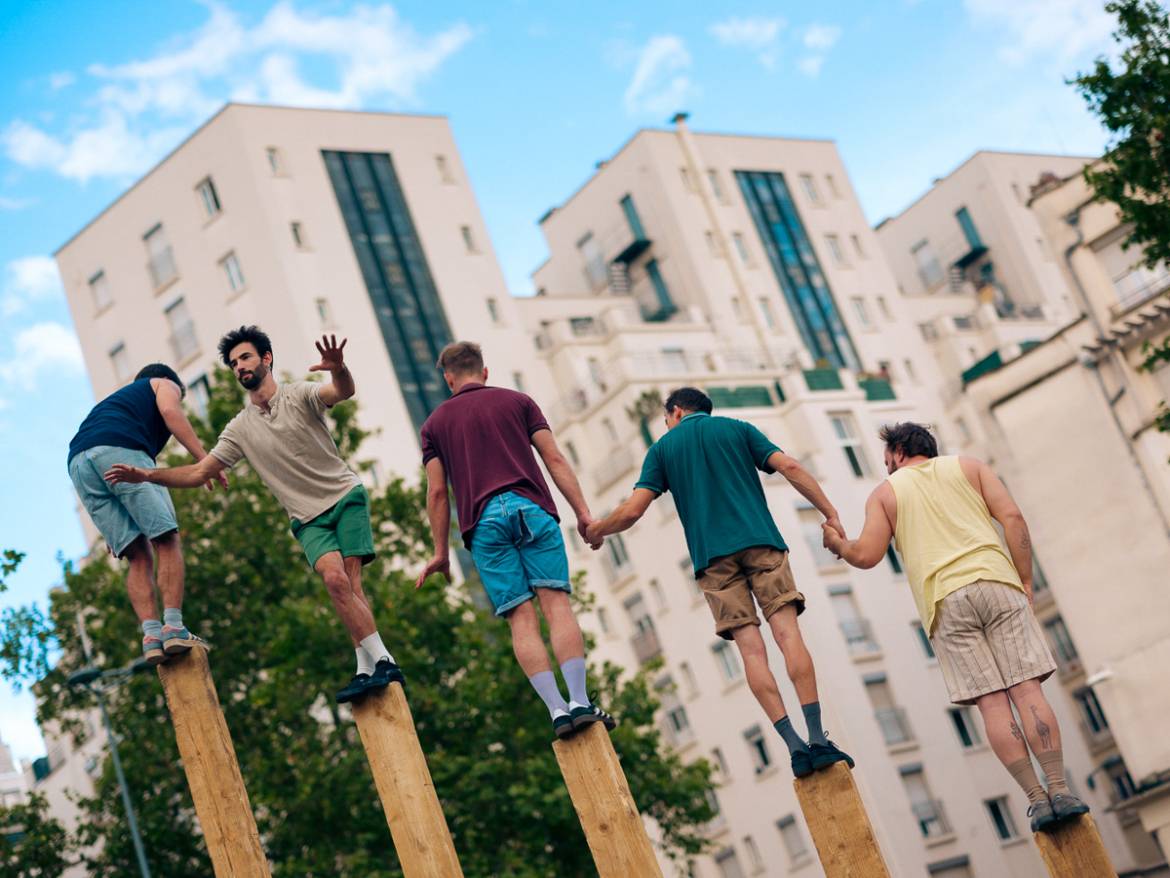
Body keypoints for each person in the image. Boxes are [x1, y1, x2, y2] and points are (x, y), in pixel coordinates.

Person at [106, 326, 400, 704]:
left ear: (266, 359)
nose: (239, 367)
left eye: (244, 358)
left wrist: (338, 368)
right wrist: (147, 475)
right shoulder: (239, 428)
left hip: (344, 496)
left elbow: (341, 391)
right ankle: (378, 663)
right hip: (306, 518)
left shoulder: (300, 393)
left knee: (349, 583)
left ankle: (374, 665)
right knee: (334, 582)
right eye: (232, 364)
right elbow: (199, 473)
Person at [820, 422, 1089, 832]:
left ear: (897, 452)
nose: (885, 466)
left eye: (886, 458)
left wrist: (837, 544)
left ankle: (1037, 801)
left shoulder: (886, 495)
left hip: (945, 601)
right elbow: (1013, 518)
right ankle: (1060, 789)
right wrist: (1026, 579)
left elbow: (867, 554)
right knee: (1026, 688)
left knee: (992, 703)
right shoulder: (970, 467)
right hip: (997, 583)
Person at [586, 387, 852, 777]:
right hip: (761, 543)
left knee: (751, 652)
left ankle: (795, 748)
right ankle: (818, 740)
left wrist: (597, 530)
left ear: (675, 412)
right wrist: (830, 513)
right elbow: (791, 467)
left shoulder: (662, 450)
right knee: (788, 635)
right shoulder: (737, 429)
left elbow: (632, 510)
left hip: (713, 561)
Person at [415, 341, 615, 739]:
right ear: (484, 372)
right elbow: (554, 458)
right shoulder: (519, 402)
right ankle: (579, 700)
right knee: (556, 605)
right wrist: (583, 514)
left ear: (448, 378)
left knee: (520, 620)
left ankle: (557, 711)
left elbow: (437, 493)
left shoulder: (434, 426)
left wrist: (441, 552)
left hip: (483, 524)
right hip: (531, 509)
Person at [68, 363, 224, 664]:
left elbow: (95, 454)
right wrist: (206, 462)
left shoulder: (118, 406)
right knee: (166, 539)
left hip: (78, 464)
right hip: (120, 450)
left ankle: (151, 636)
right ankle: (174, 627)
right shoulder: (162, 384)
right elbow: (171, 413)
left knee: (137, 555)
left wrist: (112, 529)